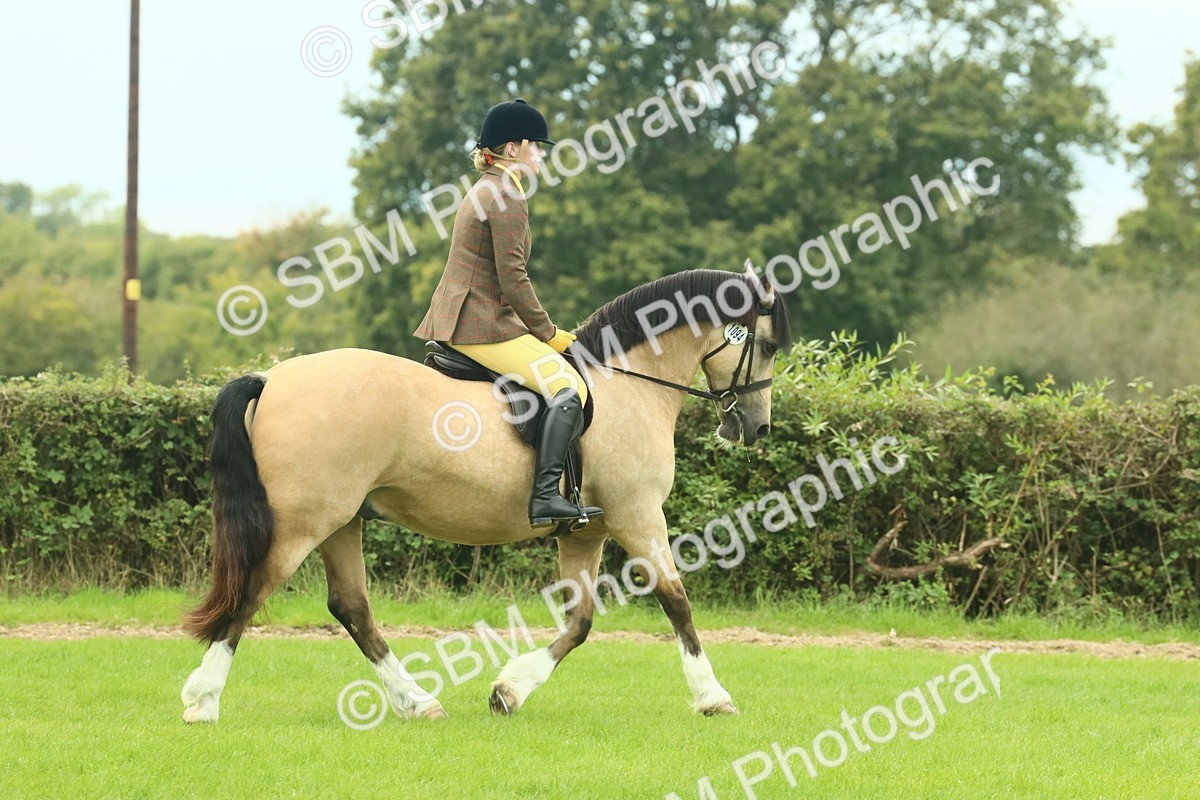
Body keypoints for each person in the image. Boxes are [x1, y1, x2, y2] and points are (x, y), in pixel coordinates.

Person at [414, 98, 603, 529]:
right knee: (568, 387)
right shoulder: (506, 195)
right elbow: (513, 278)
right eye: (536, 144)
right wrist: (549, 333)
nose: (542, 152)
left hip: (468, 316)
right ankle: (544, 499)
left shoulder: (488, 188)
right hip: (480, 323)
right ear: (513, 148)